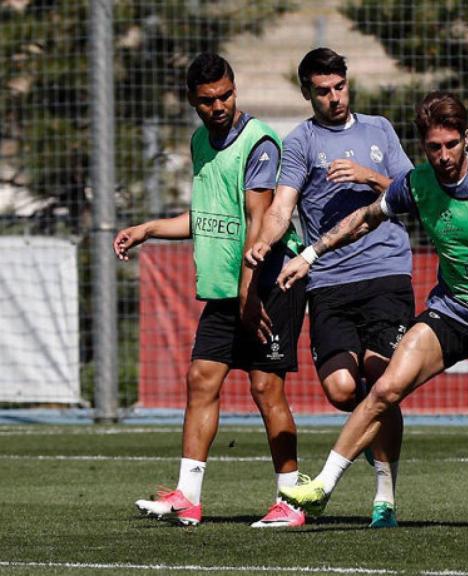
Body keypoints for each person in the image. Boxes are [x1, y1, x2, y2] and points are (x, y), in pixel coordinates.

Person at [274, 91, 468, 517]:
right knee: (386, 388)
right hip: (453, 311)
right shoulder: (416, 185)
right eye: (432, 148)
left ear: (467, 137)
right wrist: (310, 255)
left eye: (451, 145)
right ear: (422, 147)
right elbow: (365, 218)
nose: (442, 156)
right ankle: (323, 486)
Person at [115, 53, 308, 528]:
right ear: (193, 102)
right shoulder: (201, 140)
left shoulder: (260, 141)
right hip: (228, 286)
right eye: (207, 100)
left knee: (265, 388)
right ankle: (188, 497)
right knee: (201, 379)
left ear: (235, 89)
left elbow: (259, 223)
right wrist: (150, 228)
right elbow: (206, 218)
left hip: (270, 281)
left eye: (225, 95)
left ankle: (292, 501)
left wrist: (249, 295)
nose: (219, 105)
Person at [245, 48, 414, 529]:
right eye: (323, 91)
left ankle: (385, 495)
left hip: (385, 271)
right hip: (331, 279)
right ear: (307, 93)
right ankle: (369, 430)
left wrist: (369, 177)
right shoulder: (299, 143)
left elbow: (412, 191)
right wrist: (264, 242)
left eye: (340, 87)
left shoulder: (379, 129)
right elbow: (282, 208)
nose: (335, 97)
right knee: (343, 390)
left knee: (383, 381)